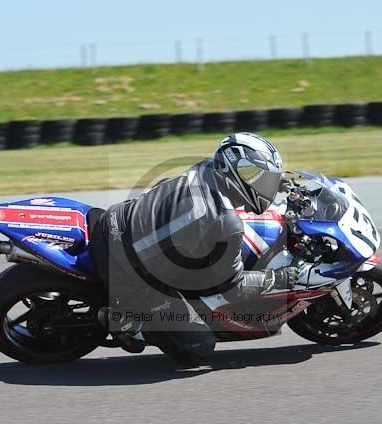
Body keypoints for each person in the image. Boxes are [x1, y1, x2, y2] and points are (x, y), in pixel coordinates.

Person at [91, 133, 299, 366]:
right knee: (198, 347)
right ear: (236, 172)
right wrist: (276, 278)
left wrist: (277, 181)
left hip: (116, 219)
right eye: (260, 179)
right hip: (128, 271)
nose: (265, 187)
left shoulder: (206, 169)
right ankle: (129, 322)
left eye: (266, 179)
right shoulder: (224, 222)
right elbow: (232, 288)